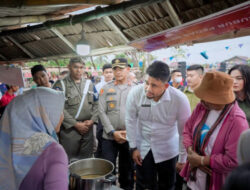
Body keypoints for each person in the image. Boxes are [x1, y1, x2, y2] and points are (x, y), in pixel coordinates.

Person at [126, 61, 191, 190]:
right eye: (146, 82)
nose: (148, 89)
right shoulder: (135, 93)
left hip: (168, 149)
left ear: (166, 85)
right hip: (143, 147)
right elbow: (130, 120)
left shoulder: (179, 99)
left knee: (167, 185)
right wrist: (133, 147)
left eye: (154, 85)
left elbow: (184, 131)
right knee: (143, 184)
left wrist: (182, 158)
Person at [180, 71, 249, 190]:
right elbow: (187, 129)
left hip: (216, 182)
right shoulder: (202, 107)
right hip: (194, 180)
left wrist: (202, 160)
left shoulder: (237, 120)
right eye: (205, 97)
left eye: (211, 99)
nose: (206, 101)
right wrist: (191, 152)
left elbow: (233, 160)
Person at [0, 87, 68, 190]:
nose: (62, 116)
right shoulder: (53, 152)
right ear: (43, 114)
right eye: (58, 110)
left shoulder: (4, 147)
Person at [98, 58, 135, 190]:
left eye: (121, 68)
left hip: (128, 136)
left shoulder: (135, 89)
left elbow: (138, 113)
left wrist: (127, 132)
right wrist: (112, 132)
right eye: (115, 69)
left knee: (128, 171)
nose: (118, 72)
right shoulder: (105, 89)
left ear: (128, 69)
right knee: (108, 170)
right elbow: (101, 112)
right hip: (109, 137)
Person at [53, 57, 98, 160]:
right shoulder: (61, 84)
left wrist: (92, 120)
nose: (79, 70)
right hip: (70, 130)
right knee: (69, 160)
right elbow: (58, 108)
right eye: (75, 67)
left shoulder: (89, 84)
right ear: (69, 67)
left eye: (81, 67)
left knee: (86, 160)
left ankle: (84, 177)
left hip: (88, 128)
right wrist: (76, 124)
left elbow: (97, 104)